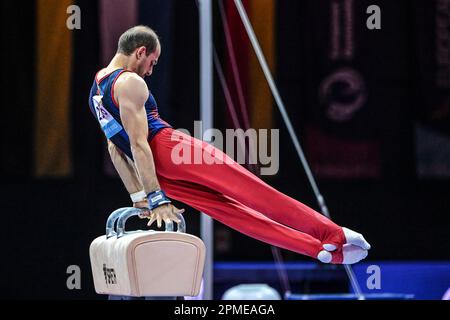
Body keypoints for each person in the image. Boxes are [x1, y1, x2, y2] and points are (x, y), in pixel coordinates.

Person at [88, 25, 371, 265]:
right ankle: (334, 234)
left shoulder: (96, 92)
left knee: (233, 214)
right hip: (171, 151)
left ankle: (319, 250)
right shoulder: (130, 83)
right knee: (252, 191)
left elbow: (116, 149)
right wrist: (157, 200)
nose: (150, 70)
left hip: (160, 176)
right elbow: (139, 144)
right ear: (140, 51)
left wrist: (140, 196)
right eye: (153, 61)